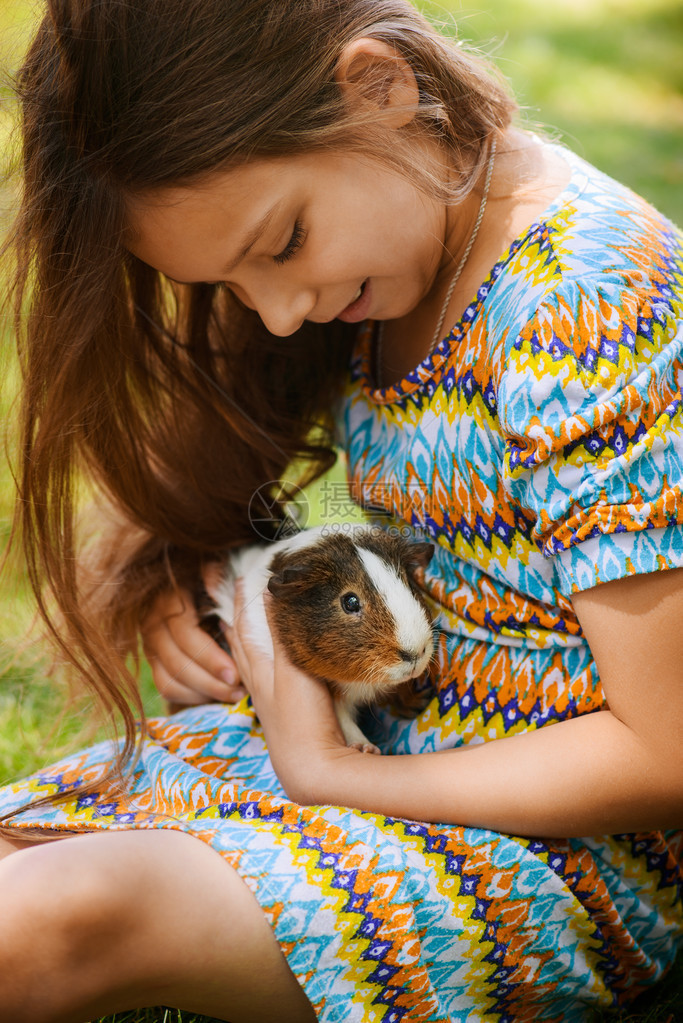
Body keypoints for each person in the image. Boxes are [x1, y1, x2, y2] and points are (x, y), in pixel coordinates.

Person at [0, 0, 681, 1020]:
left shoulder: (585, 302)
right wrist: (184, 588)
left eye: (280, 242)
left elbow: (662, 747)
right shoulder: (383, 270)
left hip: (559, 863)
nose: (274, 310)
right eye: (227, 280)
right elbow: (256, 508)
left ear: (378, 88)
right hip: (377, 765)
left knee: (61, 914)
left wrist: (323, 772)